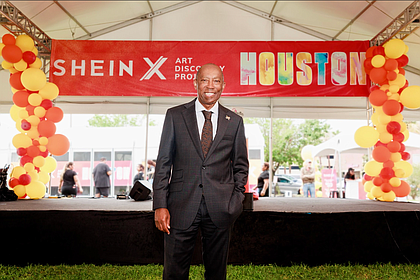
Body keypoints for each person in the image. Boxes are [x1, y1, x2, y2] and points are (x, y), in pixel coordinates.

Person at [153, 63, 249, 280]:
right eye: (205, 80)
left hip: (221, 208)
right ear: (195, 83)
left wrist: (235, 200)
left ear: (223, 85)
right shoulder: (175, 115)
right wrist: (160, 204)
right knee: (174, 272)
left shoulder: (234, 122)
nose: (210, 86)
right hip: (180, 205)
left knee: (216, 273)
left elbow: (241, 166)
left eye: (216, 81)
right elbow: (163, 162)